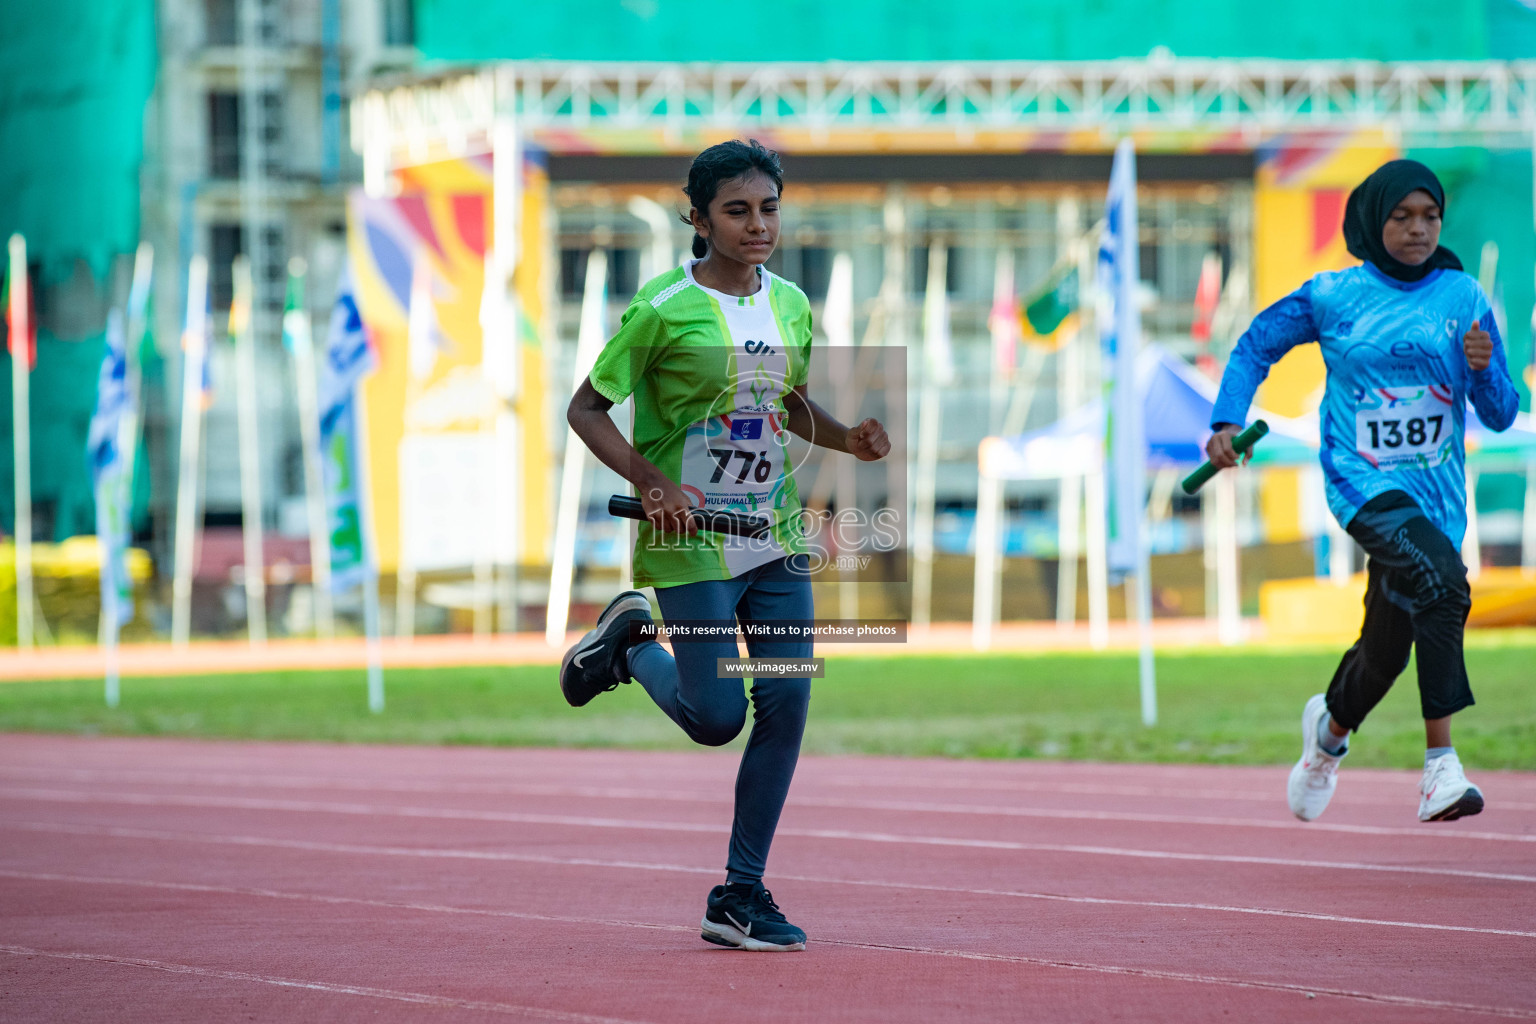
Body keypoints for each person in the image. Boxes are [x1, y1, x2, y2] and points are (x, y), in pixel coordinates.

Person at [560, 139, 891, 951]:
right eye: (738, 211)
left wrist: (851, 440)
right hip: (693, 541)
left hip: (772, 536)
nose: (758, 226)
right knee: (714, 717)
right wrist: (652, 482)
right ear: (700, 218)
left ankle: (740, 895)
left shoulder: (792, 306)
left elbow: (790, 406)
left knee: (785, 703)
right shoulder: (662, 309)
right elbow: (586, 410)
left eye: (769, 208)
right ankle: (631, 644)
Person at [1206, 159, 1519, 824]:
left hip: (1435, 500)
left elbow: (1499, 412)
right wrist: (1228, 420)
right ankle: (1440, 768)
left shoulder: (1464, 297)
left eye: (1430, 216)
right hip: (1363, 483)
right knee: (1445, 578)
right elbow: (1256, 345)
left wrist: (1484, 371)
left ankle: (1329, 734)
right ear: (1374, 222)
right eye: (1402, 217)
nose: (1418, 229)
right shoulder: (1334, 296)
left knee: (1385, 650)